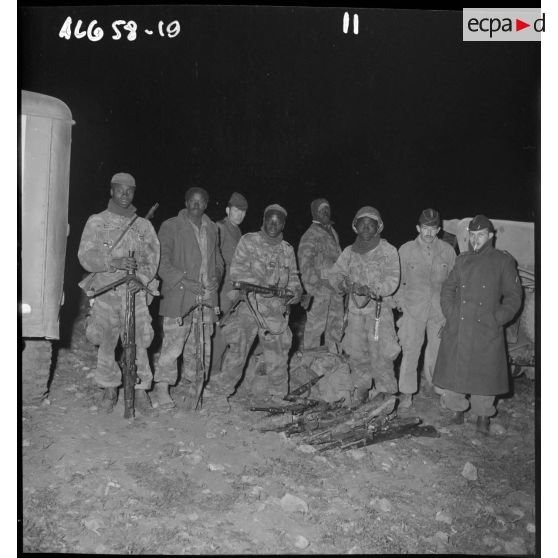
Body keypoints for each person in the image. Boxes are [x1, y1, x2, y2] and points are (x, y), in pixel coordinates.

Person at [78, 172, 160, 415]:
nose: (125, 195)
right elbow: (85, 256)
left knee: (140, 342)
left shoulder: (144, 225)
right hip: (107, 292)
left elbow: (152, 258)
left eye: (130, 191)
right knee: (106, 340)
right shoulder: (97, 221)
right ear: (111, 191)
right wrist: (114, 262)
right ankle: (109, 387)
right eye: (120, 190)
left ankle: (141, 388)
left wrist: (142, 279)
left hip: (135, 293)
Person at [433, 215, 522, 434]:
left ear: (491, 236)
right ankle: (457, 410)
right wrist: (451, 313)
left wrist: (497, 318)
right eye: (472, 235)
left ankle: (483, 416)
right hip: (460, 324)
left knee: (485, 373)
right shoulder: (462, 260)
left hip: (486, 326)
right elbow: (447, 289)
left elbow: (514, 297)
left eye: (480, 235)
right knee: (456, 369)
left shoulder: (503, 261)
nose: (475, 239)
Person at [214, 204, 302, 405]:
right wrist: (265, 288)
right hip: (250, 306)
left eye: (277, 221)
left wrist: (295, 294)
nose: (273, 224)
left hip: (274, 310)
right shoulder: (248, 241)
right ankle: (219, 394)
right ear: (263, 220)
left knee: (278, 355)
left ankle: (278, 397)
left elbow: (294, 280)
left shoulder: (287, 249)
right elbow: (237, 273)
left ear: (283, 224)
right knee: (238, 351)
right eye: (270, 220)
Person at [152, 186, 223, 410]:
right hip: (180, 295)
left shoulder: (212, 229)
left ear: (206, 205)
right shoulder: (171, 226)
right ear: (185, 202)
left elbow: (219, 259)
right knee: (174, 344)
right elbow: (160, 261)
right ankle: (162, 387)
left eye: (201, 202)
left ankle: (195, 385)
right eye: (192, 201)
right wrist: (183, 281)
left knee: (201, 344)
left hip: (205, 296)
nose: (196, 205)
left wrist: (217, 277)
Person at [328, 206, 400, 405]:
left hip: (379, 314)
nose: (367, 227)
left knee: (382, 355)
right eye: (362, 223)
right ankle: (361, 391)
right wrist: (344, 284)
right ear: (355, 226)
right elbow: (334, 275)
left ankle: (385, 396)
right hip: (355, 313)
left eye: (371, 224)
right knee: (357, 353)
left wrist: (371, 289)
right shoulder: (349, 252)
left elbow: (392, 280)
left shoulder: (388, 251)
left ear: (379, 228)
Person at [394, 209, 456, 408]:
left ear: (439, 229)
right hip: (414, 309)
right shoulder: (405, 250)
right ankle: (406, 392)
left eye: (433, 229)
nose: (429, 233)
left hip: (438, 311)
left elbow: (453, 284)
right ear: (418, 228)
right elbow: (398, 282)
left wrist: (449, 311)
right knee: (411, 351)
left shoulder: (448, 250)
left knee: (438, 352)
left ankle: (438, 390)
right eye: (425, 228)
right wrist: (402, 304)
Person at [297, 198, 344, 352]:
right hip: (320, 291)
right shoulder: (310, 235)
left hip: (336, 290)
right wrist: (314, 289)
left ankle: (333, 363)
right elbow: (305, 264)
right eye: (321, 210)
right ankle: (309, 367)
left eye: (327, 209)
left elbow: (339, 260)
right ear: (315, 213)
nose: (325, 212)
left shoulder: (332, 232)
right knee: (315, 330)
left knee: (336, 328)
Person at [211, 192, 249, 376]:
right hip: (223, 289)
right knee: (219, 330)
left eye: (243, 211)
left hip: (235, 290)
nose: (240, 214)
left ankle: (221, 370)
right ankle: (212, 371)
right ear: (228, 210)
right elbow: (214, 259)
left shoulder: (237, 231)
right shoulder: (220, 228)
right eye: (236, 210)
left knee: (230, 331)